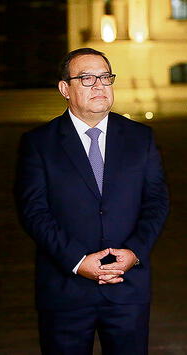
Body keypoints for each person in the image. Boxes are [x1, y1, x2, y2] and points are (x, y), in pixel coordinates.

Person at [14, 48, 169, 355]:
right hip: (65, 290)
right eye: (86, 78)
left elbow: (156, 202)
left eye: (105, 77)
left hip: (127, 286)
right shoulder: (38, 143)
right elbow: (34, 212)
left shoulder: (141, 138)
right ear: (64, 89)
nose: (99, 85)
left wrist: (134, 252)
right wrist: (77, 261)